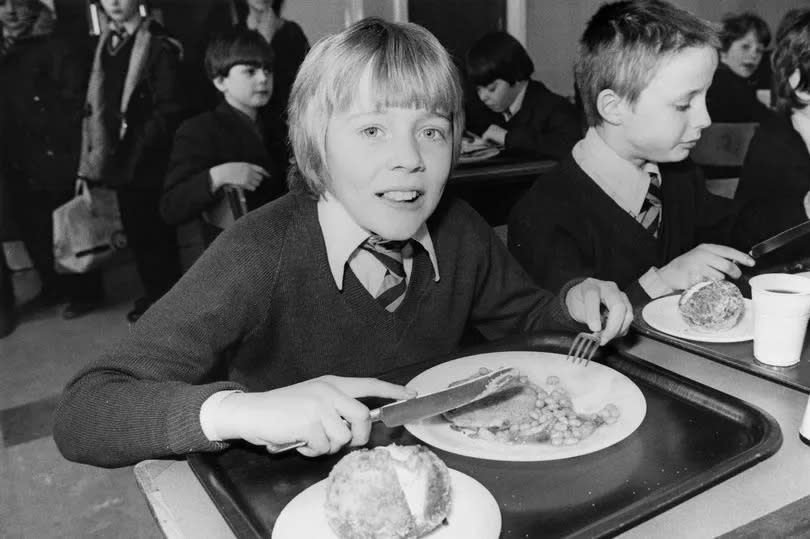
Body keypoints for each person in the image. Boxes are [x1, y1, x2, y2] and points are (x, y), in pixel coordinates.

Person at [54, 17, 633, 468]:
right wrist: (241, 411)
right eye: (373, 129)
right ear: (315, 143)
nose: (410, 158)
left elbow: (523, 315)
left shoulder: (459, 229)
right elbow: (84, 410)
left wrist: (572, 302)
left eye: (432, 130)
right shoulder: (259, 252)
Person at [508, 0, 810, 307]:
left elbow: (735, 226)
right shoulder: (544, 213)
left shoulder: (677, 174)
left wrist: (804, 209)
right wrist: (661, 281)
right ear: (614, 108)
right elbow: (561, 333)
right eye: (683, 104)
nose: (705, 119)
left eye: (705, 98)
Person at [74, 0, 186, 322]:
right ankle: (155, 296)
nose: (115, 3)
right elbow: (99, 102)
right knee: (137, 232)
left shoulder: (158, 43)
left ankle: (170, 305)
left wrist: (137, 146)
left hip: (148, 156)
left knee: (157, 235)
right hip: (119, 157)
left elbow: (169, 108)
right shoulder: (106, 42)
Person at [0, 0, 93, 334]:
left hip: (52, 152)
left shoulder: (55, 43)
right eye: (2, 4)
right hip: (15, 157)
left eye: (17, 3)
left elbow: (74, 99)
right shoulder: (4, 46)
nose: (10, 11)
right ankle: (52, 288)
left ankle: (85, 292)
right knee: (34, 228)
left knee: (67, 224)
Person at [161, 28, 286, 246]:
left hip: (286, 242)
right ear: (220, 81)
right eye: (250, 71)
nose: (263, 78)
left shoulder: (280, 124)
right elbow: (171, 207)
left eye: (267, 70)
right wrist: (217, 176)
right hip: (236, 255)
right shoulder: (199, 130)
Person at [736, 10, 810, 262]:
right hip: (784, 272)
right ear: (799, 82)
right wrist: (804, 209)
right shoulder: (774, 142)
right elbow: (747, 232)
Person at [463, 31, 580, 160]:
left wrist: (507, 138)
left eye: (492, 88)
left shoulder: (555, 108)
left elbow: (572, 149)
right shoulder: (483, 105)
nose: (483, 97)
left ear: (517, 77)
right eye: (478, 89)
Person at [706, 12, 772, 123]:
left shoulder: (739, 82)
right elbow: (766, 119)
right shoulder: (723, 83)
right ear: (723, 50)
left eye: (759, 50)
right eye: (745, 47)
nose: (754, 55)